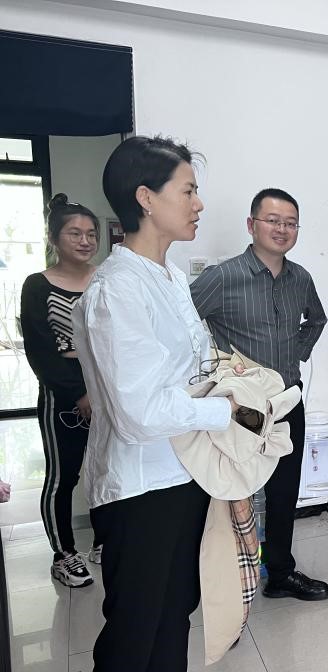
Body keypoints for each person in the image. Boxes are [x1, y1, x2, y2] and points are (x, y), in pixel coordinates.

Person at [72, 136, 239, 672]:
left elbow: (189, 371)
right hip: (139, 487)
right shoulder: (118, 288)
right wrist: (226, 412)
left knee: (174, 613)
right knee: (135, 630)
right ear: (146, 198)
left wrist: (228, 379)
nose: (199, 203)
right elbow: (139, 412)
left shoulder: (171, 278)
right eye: (188, 190)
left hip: (184, 472)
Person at [191, 187, 328, 601]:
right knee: (233, 488)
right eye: (273, 221)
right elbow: (181, 323)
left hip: (286, 401)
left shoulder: (300, 278)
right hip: (242, 408)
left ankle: (280, 572)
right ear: (252, 225)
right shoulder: (223, 277)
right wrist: (214, 366)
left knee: (284, 490)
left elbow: (317, 320)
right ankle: (225, 577)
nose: (282, 229)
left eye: (290, 223)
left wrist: (296, 354)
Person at [20, 194, 102, 587]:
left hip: (107, 390)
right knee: (62, 476)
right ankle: (64, 554)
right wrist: (79, 394)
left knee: (105, 470)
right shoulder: (37, 285)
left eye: (91, 234)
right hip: (62, 395)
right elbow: (41, 351)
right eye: (75, 233)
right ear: (54, 238)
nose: (85, 241)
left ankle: (103, 541)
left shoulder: (106, 280)